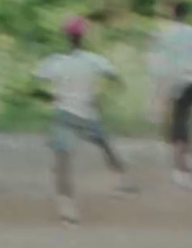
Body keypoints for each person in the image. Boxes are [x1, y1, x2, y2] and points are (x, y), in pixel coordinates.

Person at [33, 16, 136, 224]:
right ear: (84, 36)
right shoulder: (94, 60)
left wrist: (50, 97)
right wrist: (102, 97)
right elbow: (116, 79)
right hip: (88, 114)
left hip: (64, 114)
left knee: (62, 161)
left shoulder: (55, 62)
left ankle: (67, 209)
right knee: (105, 146)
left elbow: (34, 85)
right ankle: (123, 182)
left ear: (65, 36)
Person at [148, 0, 192, 189]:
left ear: (173, 13)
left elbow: (158, 62)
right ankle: (191, 157)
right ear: (188, 14)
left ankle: (181, 169)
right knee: (185, 120)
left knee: (178, 123)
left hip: (176, 83)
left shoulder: (164, 34)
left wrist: (158, 90)